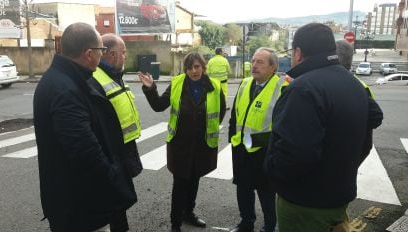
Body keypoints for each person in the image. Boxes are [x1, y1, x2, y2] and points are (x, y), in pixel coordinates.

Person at [264, 23, 383, 232]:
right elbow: (374, 117)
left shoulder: (303, 88)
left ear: (299, 53)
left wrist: (273, 172)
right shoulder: (353, 83)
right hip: (339, 195)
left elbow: (297, 153)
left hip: (304, 203)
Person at [33, 22, 137, 232]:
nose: (102, 56)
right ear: (89, 53)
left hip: (79, 199)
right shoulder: (64, 89)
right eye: (101, 51)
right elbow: (85, 151)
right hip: (79, 205)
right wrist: (116, 182)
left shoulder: (69, 79)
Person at [138, 52, 226, 232]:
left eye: (197, 67)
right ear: (185, 69)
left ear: (203, 67)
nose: (193, 71)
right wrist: (151, 89)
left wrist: (207, 128)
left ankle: (188, 213)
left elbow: (221, 111)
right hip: (180, 145)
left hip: (202, 145)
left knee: (194, 179)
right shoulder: (177, 82)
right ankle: (175, 223)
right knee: (180, 183)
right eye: (189, 67)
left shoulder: (214, 86)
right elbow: (159, 106)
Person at [228, 47, 287, 232]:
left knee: (266, 193)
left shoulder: (282, 88)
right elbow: (235, 116)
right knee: (243, 189)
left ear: (273, 67)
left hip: (265, 151)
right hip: (241, 148)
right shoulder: (245, 83)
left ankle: (269, 227)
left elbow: (284, 126)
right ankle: (246, 223)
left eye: (260, 62)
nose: (254, 65)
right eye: (253, 61)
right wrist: (232, 139)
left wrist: (265, 144)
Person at [89, 33, 143, 232]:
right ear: (111, 55)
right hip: (111, 151)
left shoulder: (115, 75)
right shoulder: (96, 80)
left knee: (120, 198)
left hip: (123, 148)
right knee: (114, 200)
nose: (126, 56)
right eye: (124, 52)